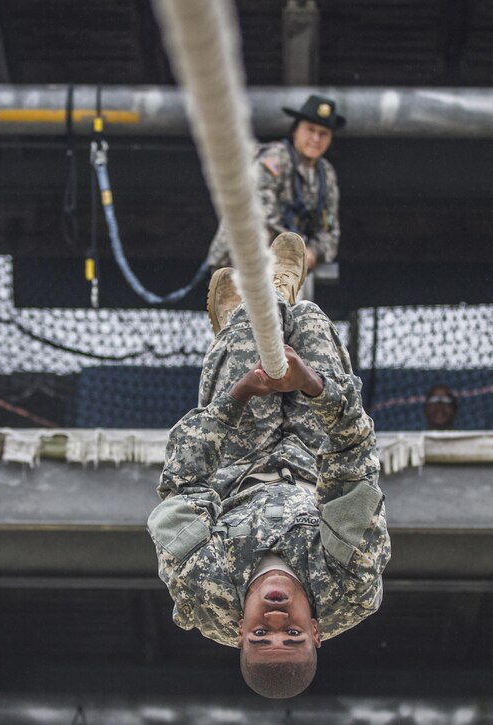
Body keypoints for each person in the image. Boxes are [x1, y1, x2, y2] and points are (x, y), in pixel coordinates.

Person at [148, 232, 390, 698]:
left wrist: (238, 395)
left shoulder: (203, 592)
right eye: (292, 634)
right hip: (316, 457)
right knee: (312, 321)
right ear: (316, 634)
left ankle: (250, 314)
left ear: (239, 633)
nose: (276, 619)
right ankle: (275, 297)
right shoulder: (351, 588)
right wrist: (315, 386)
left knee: (250, 336)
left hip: (236, 460)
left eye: (261, 635)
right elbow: (354, 466)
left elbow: (182, 483)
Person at [207, 94, 344, 272]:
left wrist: (313, 252)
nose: (316, 139)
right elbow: (261, 216)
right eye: (310, 130)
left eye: (323, 133)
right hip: (238, 263)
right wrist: (300, 250)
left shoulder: (326, 174)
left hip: (285, 267)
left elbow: (329, 232)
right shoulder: (273, 160)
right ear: (296, 130)